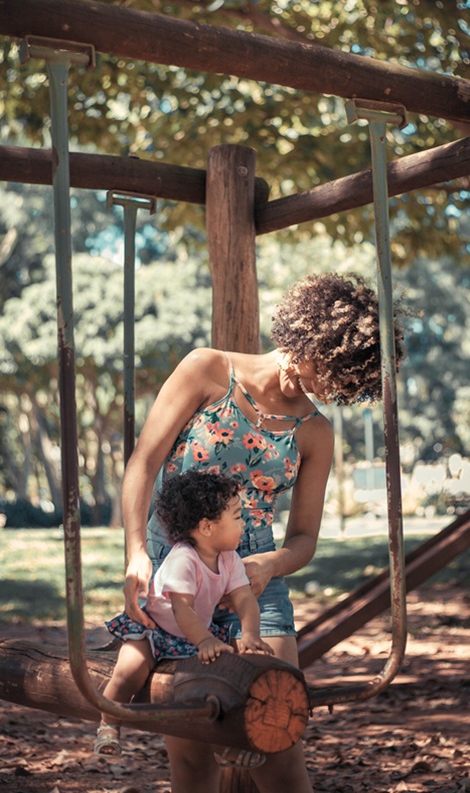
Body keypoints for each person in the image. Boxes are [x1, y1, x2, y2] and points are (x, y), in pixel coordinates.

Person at [121, 272, 405, 793]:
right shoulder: (208, 369)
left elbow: (303, 538)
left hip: (256, 580)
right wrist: (137, 552)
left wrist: (269, 565)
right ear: (308, 334)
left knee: (278, 742)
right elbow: (144, 462)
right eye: (327, 365)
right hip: (178, 569)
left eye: (342, 380)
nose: (325, 385)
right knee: (191, 757)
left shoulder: (315, 432)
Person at [94, 469, 273, 757]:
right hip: (156, 631)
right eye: (238, 517)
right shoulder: (183, 560)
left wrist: (251, 634)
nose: (245, 524)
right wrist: (204, 641)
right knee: (130, 670)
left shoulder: (229, 559)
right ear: (207, 527)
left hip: (193, 634)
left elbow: (244, 599)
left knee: (222, 677)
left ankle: (225, 742)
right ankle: (108, 724)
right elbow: (181, 609)